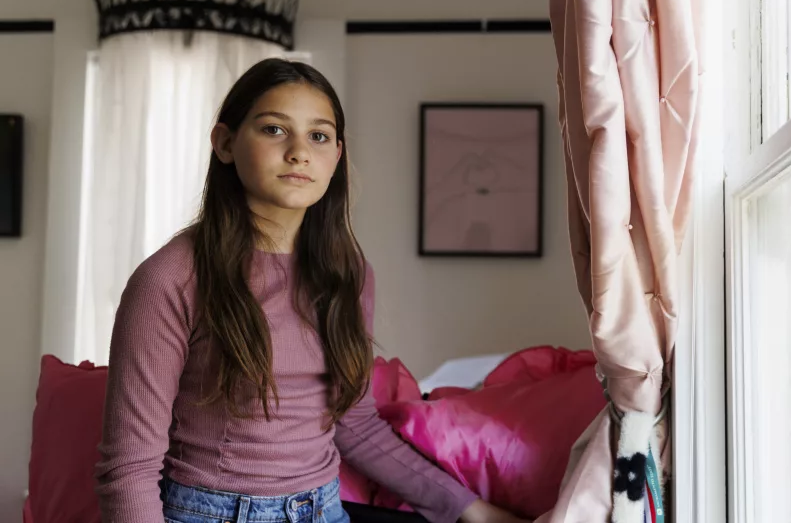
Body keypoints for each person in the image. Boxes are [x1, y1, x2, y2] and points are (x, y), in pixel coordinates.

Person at [94, 58, 527, 523]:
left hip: (324, 509)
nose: (299, 151)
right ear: (224, 143)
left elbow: (354, 425)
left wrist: (472, 510)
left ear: (336, 156)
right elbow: (130, 469)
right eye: (274, 130)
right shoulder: (170, 278)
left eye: (318, 136)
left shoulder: (348, 273)